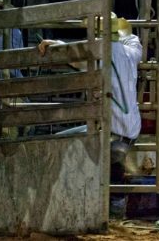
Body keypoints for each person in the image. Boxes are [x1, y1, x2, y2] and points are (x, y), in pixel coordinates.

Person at [39, 15, 142, 218]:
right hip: (130, 131)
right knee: (113, 169)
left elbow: (70, 53)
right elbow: (132, 38)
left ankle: (73, 209)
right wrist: (118, 25)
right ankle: (115, 210)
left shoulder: (97, 56)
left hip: (111, 133)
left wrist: (52, 44)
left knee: (59, 144)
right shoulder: (132, 52)